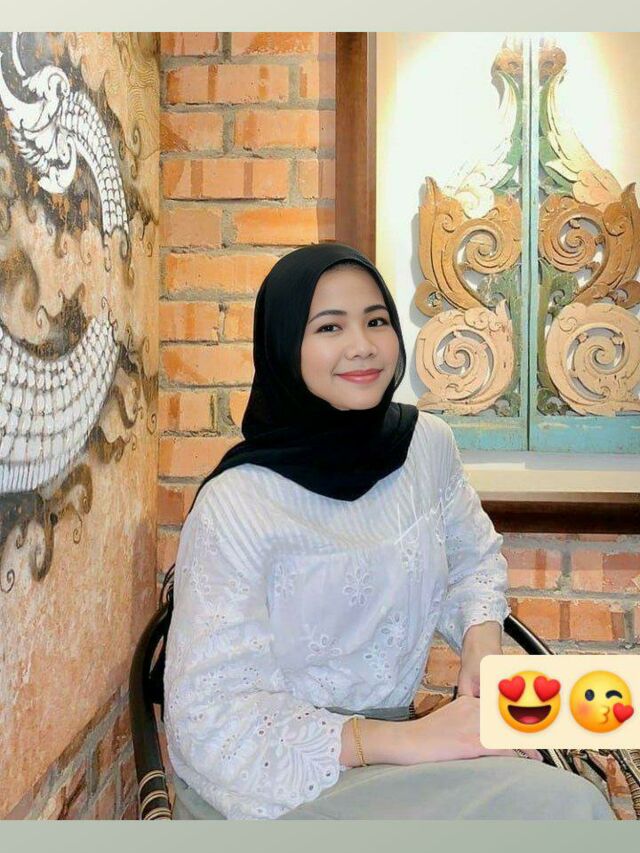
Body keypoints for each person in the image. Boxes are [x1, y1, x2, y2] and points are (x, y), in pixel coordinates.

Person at [163, 243, 615, 820]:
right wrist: (411, 741)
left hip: (399, 757)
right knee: (566, 808)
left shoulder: (425, 446)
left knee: (581, 781)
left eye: (376, 321)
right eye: (329, 327)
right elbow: (209, 721)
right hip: (273, 779)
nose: (362, 345)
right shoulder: (236, 504)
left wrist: (481, 645)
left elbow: (474, 559)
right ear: (283, 346)